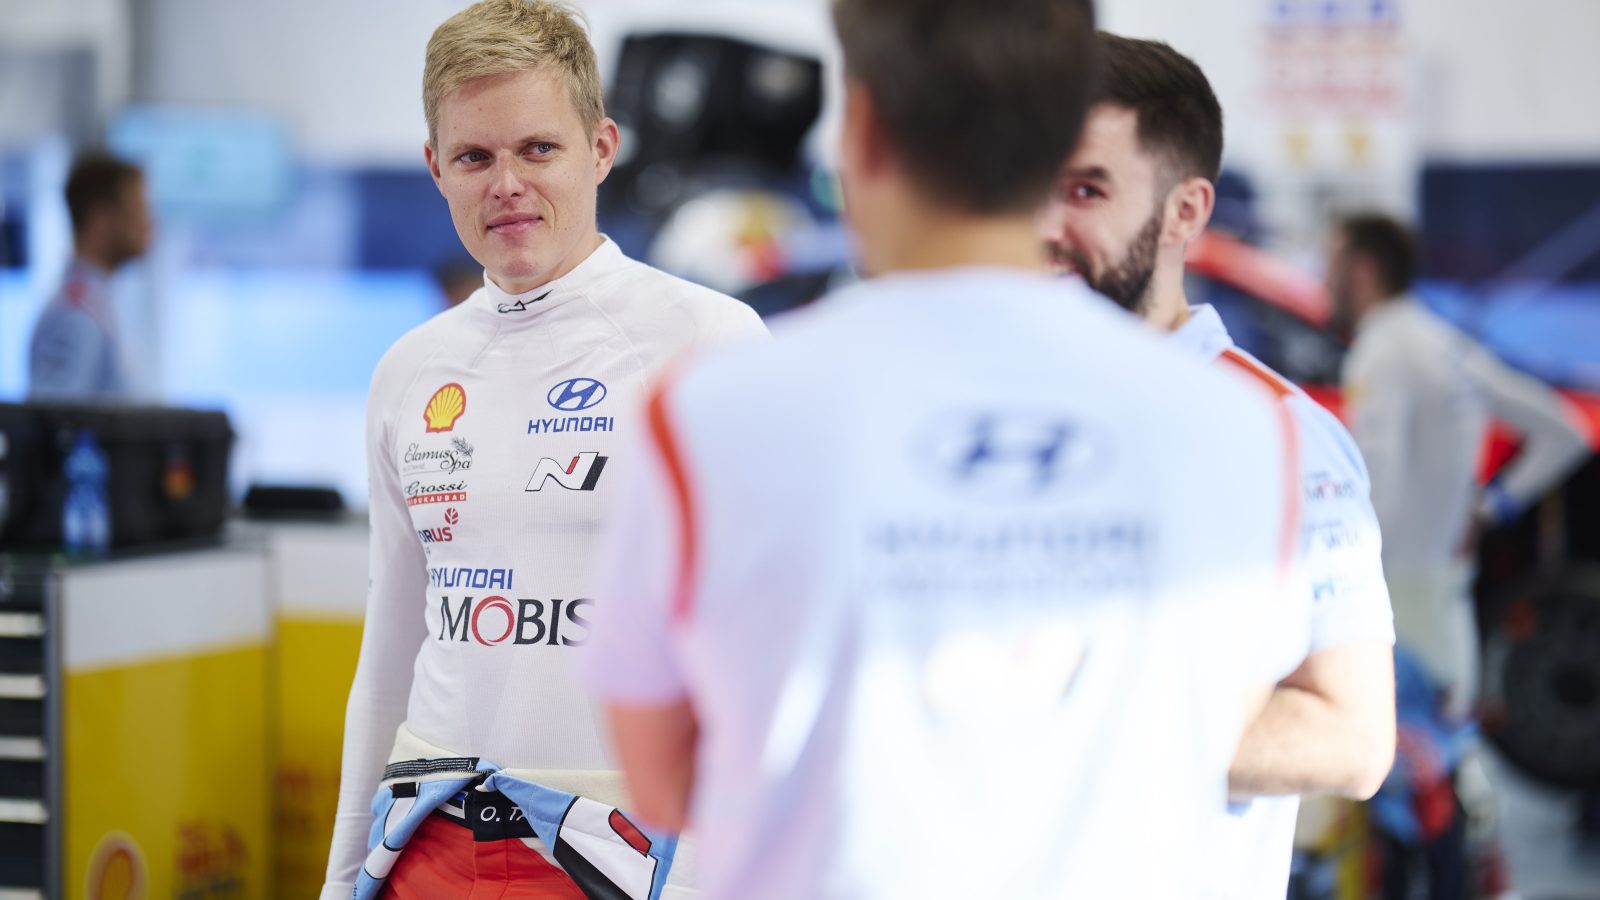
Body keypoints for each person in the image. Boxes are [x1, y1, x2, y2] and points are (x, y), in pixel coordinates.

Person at [585, 2, 1314, 897]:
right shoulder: (1246, 429)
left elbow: (663, 781)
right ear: (1064, 139)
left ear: (860, 128)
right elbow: (1217, 730)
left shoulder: (706, 414)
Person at [320, 2, 768, 898]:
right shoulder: (409, 371)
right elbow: (390, 652)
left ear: (600, 149)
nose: (507, 184)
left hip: (621, 855)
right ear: (435, 167)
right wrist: (341, 877)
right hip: (423, 841)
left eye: (538, 149)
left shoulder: (711, 344)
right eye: (474, 157)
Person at [1035, 34, 1397, 899]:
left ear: (1185, 212)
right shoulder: (976, 412)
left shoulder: (1278, 433)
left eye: (1086, 190)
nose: (1045, 225)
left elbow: (1353, 736)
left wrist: (1065, 719)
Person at [1330, 213, 1590, 898]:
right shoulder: (1444, 344)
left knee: (1395, 816)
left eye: (1332, 262)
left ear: (1362, 270)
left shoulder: (1383, 353)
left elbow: (1376, 492)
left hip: (1393, 618)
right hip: (1444, 612)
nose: (1324, 279)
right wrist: (1489, 507)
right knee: (1435, 803)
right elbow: (1566, 431)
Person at [28, 153, 152, 401]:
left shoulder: (94, 302)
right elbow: (56, 416)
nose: (148, 223)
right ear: (100, 219)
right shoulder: (76, 313)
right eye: (137, 209)